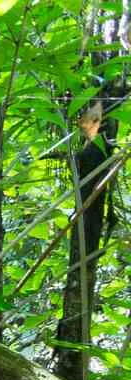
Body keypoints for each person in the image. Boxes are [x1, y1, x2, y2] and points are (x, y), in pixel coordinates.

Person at [75, 98, 114, 265]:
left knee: (92, 224)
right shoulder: (83, 148)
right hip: (84, 194)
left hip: (95, 191)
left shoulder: (102, 142)